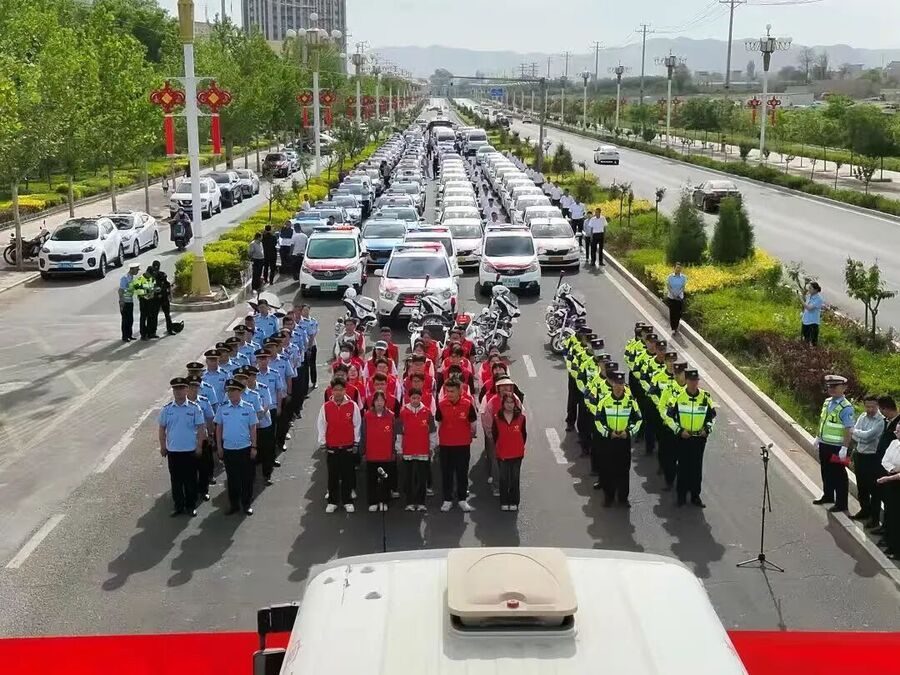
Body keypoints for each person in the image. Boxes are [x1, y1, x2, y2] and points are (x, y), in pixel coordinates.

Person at [664, 368, 716, 507]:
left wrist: (707, 429)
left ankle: (695, 496)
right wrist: (679, 430)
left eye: (696, 380)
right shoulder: (678, 397)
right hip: (684, 438)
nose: (694, 383)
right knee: (683, 467)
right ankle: (681, 496)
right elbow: (669, 417)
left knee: (696, 468)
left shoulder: (705, 397)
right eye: (691, 381)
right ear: (686, 381)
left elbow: (712, 416)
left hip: (699, 439)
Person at [158, 378, 206, 517]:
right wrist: (163, 446)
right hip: (173, 451)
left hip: (190, 450)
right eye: (175, 389)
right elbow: (162, 428)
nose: (178, 391)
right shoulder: (167, 409)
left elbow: (201, 428)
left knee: (191, 480)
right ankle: (178, 506)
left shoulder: (194, 408)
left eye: (181, 388)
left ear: (186, 390)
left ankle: (191, 505)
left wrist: (199, 446)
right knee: (176, 480)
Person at [594, 372, 642, 507]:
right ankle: (608, 497)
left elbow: (638, 420)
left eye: (621, 384)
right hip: (609, 441)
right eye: (616, 383)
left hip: (624, 441)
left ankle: (623, 498)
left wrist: (629, 432)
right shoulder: (604, 401)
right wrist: (608, 433)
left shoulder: (630, 402)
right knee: (608, 469)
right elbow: (598, 421)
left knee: (623, 470)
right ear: (612, 384)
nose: (619, 387)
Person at [316, 378, 362, 513]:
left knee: (347, 474)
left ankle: (347, 501)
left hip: (348, 445)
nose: (338, 392)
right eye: (335, 390)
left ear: (345, 390)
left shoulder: (352, 406)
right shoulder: (326, 407)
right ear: (332, 391)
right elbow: (321, 425)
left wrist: (356, 442)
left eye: (340, 390)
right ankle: (333, 501)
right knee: (333, 475)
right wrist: (323, 442)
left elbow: (357, 425)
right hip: (332, 446)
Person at [214, 378, 258, 516]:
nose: (230, 393)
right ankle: (234, 505)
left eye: (233, 391)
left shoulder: (248, 407)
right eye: (229, 391)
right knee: (232, 479)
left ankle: (246, 504)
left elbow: (253, 428)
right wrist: (219, 446)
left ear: (240, 392)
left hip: (245, 448)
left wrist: (254, 446)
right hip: (229, 449)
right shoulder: (223, 408)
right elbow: (219, 428)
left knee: (246, 478)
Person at [812, 374, 854, 513]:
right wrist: (818, 437)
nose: (832, 389)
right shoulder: (827, 402)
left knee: (839, 475)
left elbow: (848, 429)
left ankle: (842, 503)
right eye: (830, 386)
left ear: (844, 388)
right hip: (824, 444)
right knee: (826, 471)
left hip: (837, 447)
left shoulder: (846, 407)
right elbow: (823, 421)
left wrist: (845, 448)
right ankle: (828, 495)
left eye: (835, 386)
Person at [435, 380, 478, 512]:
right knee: (446, 472)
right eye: (447, 391)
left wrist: (469, 436)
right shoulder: (441, 405)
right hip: (446, 445)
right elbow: (438, 422)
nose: (449, 394)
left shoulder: (467, 404)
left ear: (460, 391)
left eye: (452, 391)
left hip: (463, 445)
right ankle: (447, 500)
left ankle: (462, 499)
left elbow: (473, 424)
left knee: (462, 472)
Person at [396, 388, 437, 511]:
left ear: (421, 398)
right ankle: (409, 502)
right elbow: (399, 433)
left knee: (422, 478)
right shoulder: (403, 413)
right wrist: (399, 449)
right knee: (408, 478)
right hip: (408, 450)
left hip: (423, 450)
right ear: (409, 398)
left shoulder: (427, 412)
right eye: (413, 398)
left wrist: (432, 447)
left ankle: (421, 503)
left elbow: (432, 432)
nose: (415, 400)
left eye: (418, 398)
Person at [851, 395, 886, 522]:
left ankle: (874, 518)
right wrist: (860, 435)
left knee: (874, 489)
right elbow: (855, 436)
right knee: (861, 486)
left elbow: (868, 436)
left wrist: (857, 433)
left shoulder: (881, 421)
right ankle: (864, 510)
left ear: (877, 406)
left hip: (872, 458)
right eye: (867, 406)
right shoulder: (862, 416)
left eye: (873, 407)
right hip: (859, 455)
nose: (870, 409)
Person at [361, 391, 397, 512]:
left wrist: (394, 451)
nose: (379, 403)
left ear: (385, 402)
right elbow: (363, 434)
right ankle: (373, 501)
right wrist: (363, 451)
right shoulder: (367, 416)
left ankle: (384, 501)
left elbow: (394, 435)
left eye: (381, 400)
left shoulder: (391, 416)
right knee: (371, 479)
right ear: (373, 402)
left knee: (385, 478)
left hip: (386, 454)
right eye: (377, 400)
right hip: (372, 453)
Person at [869, 396, 900, 530]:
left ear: (885, 409)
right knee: (881, 497)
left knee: (891, 503)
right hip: (883, 465)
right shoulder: (887, 421)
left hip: (893, 472)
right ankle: (882, 527)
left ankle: (888, 530)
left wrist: (891, 469)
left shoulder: (898, 423)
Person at [492, 393, 527, 511]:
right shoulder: (497, 418)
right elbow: (495, 435)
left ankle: (514, 501)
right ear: (503, 404)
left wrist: (519, 445)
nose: (509, 405)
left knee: (514, 478)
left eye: (512, 402)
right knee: (503, 478)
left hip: (517, 453)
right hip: (502, 453)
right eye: (507, 402)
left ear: (515, 404)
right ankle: (504, 501)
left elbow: (524, 434)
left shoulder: (521, 418)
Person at [185, 375, 216, 502]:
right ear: (187, 388)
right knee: (189, 469)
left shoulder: (204, 401)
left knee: (203, 468)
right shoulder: (182, 403)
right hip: (187, 440)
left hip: (203, 439)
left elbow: (210, 418)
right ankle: (191, 492)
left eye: (196, 386)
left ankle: (203, 491)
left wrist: (211, 435)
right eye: (191, 386)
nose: (194, 389)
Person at [875, 427, 900, 559]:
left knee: (897, 517)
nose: (896, 433)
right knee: (890, 514)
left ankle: (897, 550)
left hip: (895, 481)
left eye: (898, 431)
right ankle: (890, 543)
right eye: (896, 431)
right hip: (890, 479)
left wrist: (891, 476)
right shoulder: (894, 443)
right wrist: (892, 469)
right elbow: (885, 460)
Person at [298, 304, 319, 389]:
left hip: (312, 345)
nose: (306, 312)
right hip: (302, 347)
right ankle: (305, 384)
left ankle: (314, 381)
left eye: (307, 310)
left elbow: (313, 335)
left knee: (312, 365)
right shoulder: (299, 322)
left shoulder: (313, 321)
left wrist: (309, 347)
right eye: (304, 310)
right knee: (305, 366)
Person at [118, 263, 140, 342]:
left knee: (130, 319)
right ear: (132, 269)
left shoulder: (132, 278)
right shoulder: (125, 278)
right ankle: (125, 336)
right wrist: (121, 301)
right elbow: (121, 290)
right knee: (125, 320)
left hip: (130, 301)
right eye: (136, 269)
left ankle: (129, 335)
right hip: (125, 302)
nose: (137, 271)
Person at [134, 269, 158, 340]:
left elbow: (154, 287)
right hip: (143, 301)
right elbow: (137, 290)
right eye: (150, 274)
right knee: (143, 318)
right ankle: (143, 335)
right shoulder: (140, 279)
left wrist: (154, 291)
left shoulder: (152, 279)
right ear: (147, 272)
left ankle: (150, 333)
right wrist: (146, 291)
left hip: (150, 300)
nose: (151, 276)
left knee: (150, 317)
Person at [666, 263, 687, 336]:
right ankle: (673, 328)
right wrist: (673, 294)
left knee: (678, 314)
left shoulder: (683, 277)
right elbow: (668, 286)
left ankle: (676, 326)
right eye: (677, 267)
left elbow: (683, 287)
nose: (678, 269)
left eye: (680, 268)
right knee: (672, 313)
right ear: (674, 268)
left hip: (679, 297)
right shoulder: (670, 277)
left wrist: (678, 294)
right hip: (671, 297)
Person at [801, 281, 823, 346]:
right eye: (809, 288)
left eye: (810, 288)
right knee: (805, 338)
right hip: (805, 320)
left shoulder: (819, 299)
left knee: (813, 342)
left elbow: (809, 308)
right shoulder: (809, 296)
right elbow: (806, 307)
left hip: (813, 322)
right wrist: (803, 313)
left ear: (815, 290)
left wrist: (801, 300)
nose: (809, 289)